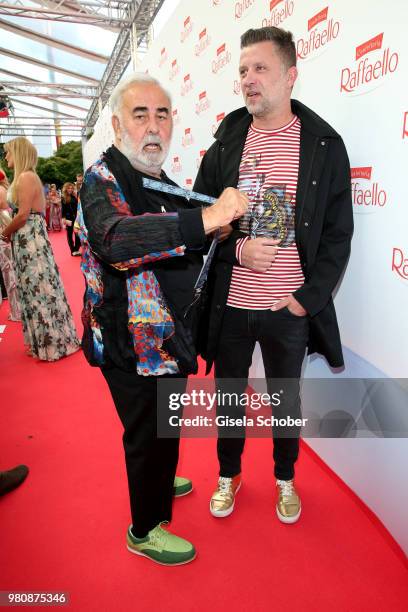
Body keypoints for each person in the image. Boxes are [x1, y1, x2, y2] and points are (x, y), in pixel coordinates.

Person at [78, 72, 247, 566]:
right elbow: (116, 241)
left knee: (165, 425)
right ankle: (144, 528)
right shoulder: (99, 180)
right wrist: (207, 220)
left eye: (162, 114)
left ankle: (161, 472)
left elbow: (184, 238)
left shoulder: (158, 180)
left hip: (167, 339)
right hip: (126, 343)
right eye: (140, 114)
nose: (153, 126)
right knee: (146, 434)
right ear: (115, 124)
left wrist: (222, 234)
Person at [194, 27, 353, 523]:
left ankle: (285, 480)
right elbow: (201, 220)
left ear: (290, 76)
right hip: (234, 303)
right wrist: (239, 250)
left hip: (289, 308)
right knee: (229, 402)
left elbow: (337, 234)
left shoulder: (324, 145)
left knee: (286, 402)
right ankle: (229, 475)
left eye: (260, 68)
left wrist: (307, 299)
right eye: (242, 70)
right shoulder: (224, 145)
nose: (248, 79)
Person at [1, 137, 80, 361]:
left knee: (39, 289)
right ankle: (42, 342)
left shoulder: (26, 177)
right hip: (27, 238)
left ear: (18, 153)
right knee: (34, 289)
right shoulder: (26, 177)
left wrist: (5, 233)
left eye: (8, 153)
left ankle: (51, 345)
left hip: (30, 239)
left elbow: (23, 214)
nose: (6, 157)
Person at [0, 168, 20, 320]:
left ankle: (16, 312)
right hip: (6, 234)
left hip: (3, 235)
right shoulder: (5, 189)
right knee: (11, 272)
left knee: (9, 274)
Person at [61, 182, 81, 256]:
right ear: (66, 189)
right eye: (69, 188)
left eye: (71, 188)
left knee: (77, 234)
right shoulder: (64, 197)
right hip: (69, 218)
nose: (70, 189)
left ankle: (76, 249)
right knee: (69, 235)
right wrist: (63, 218)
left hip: (76, 218)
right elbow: (63, 209)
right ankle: (72, 250)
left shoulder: (74, 196)